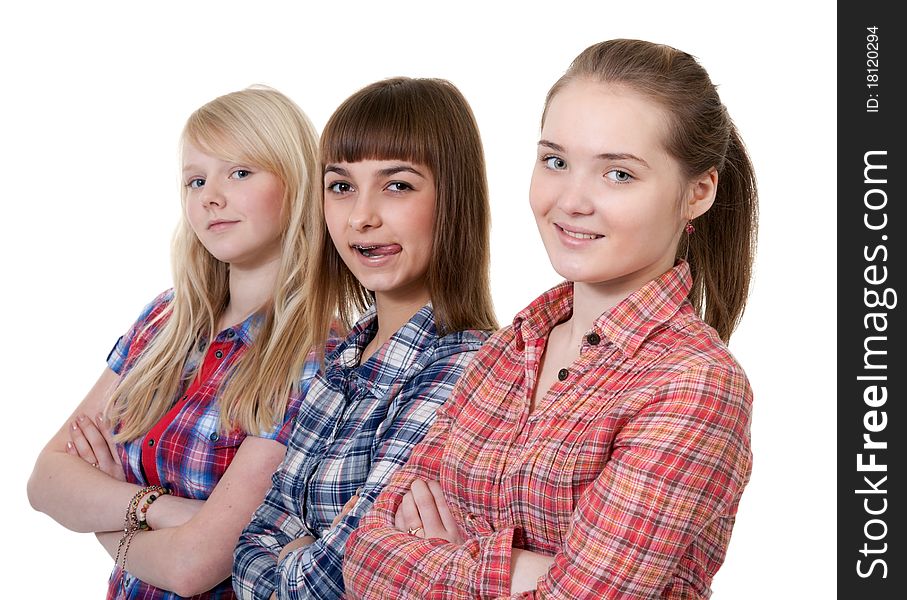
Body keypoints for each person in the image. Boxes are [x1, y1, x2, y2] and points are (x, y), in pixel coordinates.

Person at [344, 39, 758, 599]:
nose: (571, 201)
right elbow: (363, 554)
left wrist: (442, 557)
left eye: (618, 175)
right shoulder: (510, 347)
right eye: (556, 161)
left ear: (698, 192)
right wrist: (520, 570)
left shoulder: (694, 384)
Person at [27, 87, 323, 599]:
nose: (210, 196)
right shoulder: (164, 320)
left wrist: (102, 509)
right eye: (195, 179)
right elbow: (46, 481)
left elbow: (193, 565)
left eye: (240, 172)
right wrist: (157, 508)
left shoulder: (315, 354)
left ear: (295, 182)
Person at [232, 77, 497, 600]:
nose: (361, 217)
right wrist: (293, 551)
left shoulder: (471, 370)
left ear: (454, 196)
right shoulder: (344, 356)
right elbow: (247, 546)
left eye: (397, 185)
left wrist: (293, 549)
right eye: (341, 186)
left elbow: (328, 582)